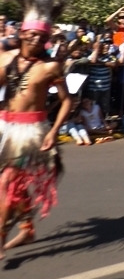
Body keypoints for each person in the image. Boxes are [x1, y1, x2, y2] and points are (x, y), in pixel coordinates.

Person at [0, 16, 72, 260]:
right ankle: (27, 228)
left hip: (30, 133)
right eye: (32, 34)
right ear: (21, 34)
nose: (36, 38)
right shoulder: (5, 59)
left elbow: (67, 101)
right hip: (4, 126)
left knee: (7, 182)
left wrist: (53, 132)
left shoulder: (51, 66)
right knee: (13, 186)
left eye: (42, 36)